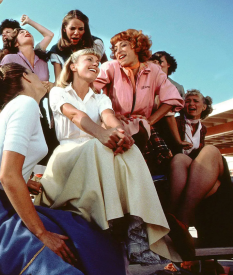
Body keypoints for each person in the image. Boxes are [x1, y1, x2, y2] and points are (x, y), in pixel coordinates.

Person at [0, 63, 126, 275]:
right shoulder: (25, 104)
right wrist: (41, 234)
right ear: (26, 78)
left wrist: (24, 180)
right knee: (73, 248)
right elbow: (7, 175)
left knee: (78, 232)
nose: (41, 78)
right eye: (34, 73)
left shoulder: (19, 106)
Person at [35, 48, 180, 264]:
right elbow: (76, 115)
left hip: (96, 147)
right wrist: (102, 134)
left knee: (130, 150)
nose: (96, 63)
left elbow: (109, 117)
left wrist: (121, 134)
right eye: (89, 59)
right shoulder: (59, 92)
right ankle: (110, 227)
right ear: (73, 66)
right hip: (67, 153)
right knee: (98, 147)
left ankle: (136, 232)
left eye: (97, 60)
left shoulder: (101, 97)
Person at [93, 29, 184, 164]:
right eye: (115, 49)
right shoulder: (110, 67)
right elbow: (90, 91)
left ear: (137, 46)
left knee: (142, 142)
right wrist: (108, 114)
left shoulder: (153, 70)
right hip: (113, 124)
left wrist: (150, 120)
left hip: (141, 127)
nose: (118, 51)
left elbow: (172, 98)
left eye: (123, 45)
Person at [167, 90, 233, 257]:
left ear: (204, 106)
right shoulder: (175, 122)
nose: (191, 104)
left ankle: (181, 218)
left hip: (210, 172)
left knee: (210, 150)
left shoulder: (203, 128)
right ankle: (176, 223)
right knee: (179, 160)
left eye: (195, 101)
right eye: (187, 101)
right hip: (191, 171)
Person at [0, 27, 58, 165]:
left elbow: (44, 89)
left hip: (39, 110)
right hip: (17, 107)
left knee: (47, 147)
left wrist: (50, 87)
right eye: (21, 32)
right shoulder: (10, 58)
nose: (26, 32)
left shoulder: (43, 62)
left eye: (27, 32)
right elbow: (4, 85)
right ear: (15, 44)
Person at [49, 10, 108, 80]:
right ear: (64, 29)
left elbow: (106, 69)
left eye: (80, 29)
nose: (76, 32)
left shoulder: (95, 43)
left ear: (85, 30)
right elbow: (59, 80)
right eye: (72, 28)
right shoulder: (57, 50)